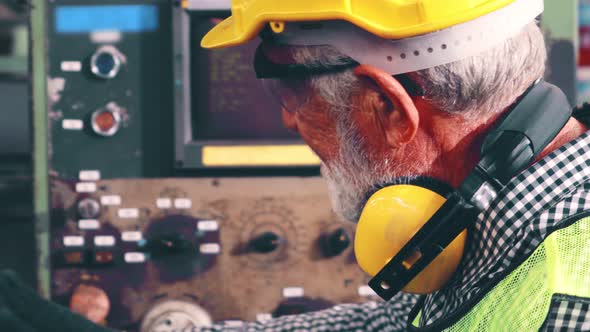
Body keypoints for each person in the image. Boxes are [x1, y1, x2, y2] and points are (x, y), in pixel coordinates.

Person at [1, 0, 589, 331]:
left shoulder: (564, 306)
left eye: (290, 96)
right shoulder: (494, 217)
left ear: (387, 106)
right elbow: (387, 327)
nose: (288, 124)